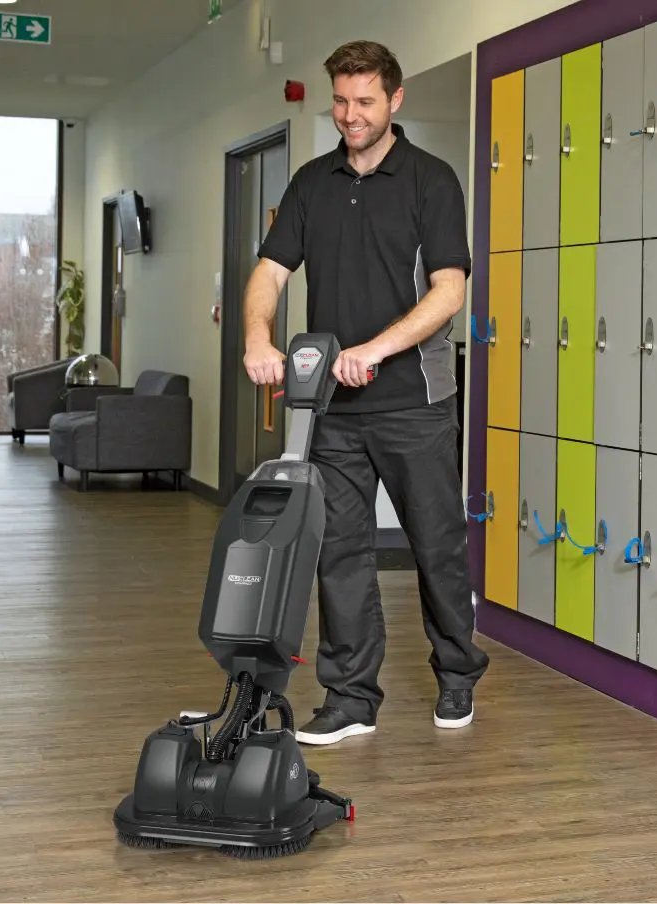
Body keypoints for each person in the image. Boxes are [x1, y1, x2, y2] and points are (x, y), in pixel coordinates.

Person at [241, 39, 489, 745]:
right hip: (332, 408)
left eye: (365, 102)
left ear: (394, 101)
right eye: (341, 101)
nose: (350, 115)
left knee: (435, 544)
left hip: (415, 401)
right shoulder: (312, 183)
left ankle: (457, 675)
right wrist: (259, 339)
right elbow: (270, 271)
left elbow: (449, 291)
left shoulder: (431, 180)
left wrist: (376, 350)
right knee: (339, 550)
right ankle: (350, 697)